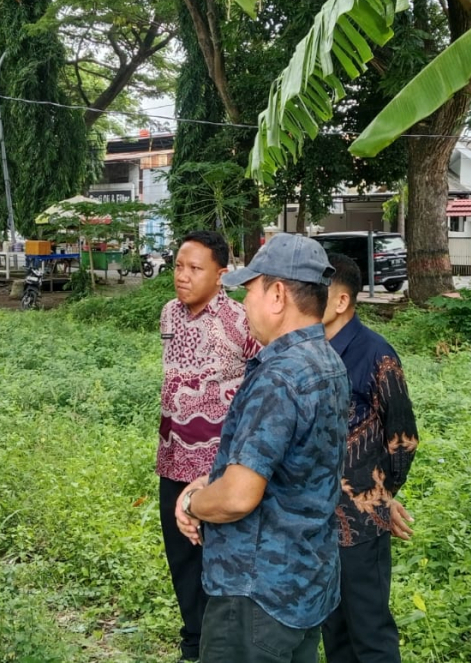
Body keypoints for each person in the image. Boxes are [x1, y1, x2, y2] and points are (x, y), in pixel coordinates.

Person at [175, 233, 350, 663]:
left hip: (255, 596)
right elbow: (294, 467)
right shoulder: (328, 363)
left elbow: (238, 497)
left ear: (276, 295)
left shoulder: (278, 376)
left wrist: (195, 502)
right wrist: (214, 477)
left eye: (249, 289)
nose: (245, 302)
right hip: (306, 587)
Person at [157, 230, 260, 660]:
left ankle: (223, 646)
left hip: (218, 471)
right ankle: (193, 642)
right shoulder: (168, 315)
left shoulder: (241, 321)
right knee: (181, 560)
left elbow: (261, 380)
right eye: (179, 266)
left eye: (195, 268)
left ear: (221, 275)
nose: (183, 276)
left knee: (218, 562)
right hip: (172, 459)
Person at [318, 254, 419, 663]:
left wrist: (381, 495)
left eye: (315, 291)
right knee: (333, 628)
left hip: (360, 524)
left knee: (370, 629)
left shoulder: (377, 355)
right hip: (316, 521)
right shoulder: (311, 352)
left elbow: (403, 438)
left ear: (341, 301)